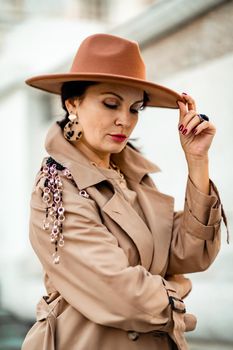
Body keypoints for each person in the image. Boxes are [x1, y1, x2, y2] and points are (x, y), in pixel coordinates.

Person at [22, 33, 228, 350]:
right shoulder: (56, 186)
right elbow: (120, 294)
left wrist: (197, 162)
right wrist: (177, 291)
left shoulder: (132, 178)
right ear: (72, 102)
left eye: (135, 108)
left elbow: (188, 253)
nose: (125, 120)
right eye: (110, 103)